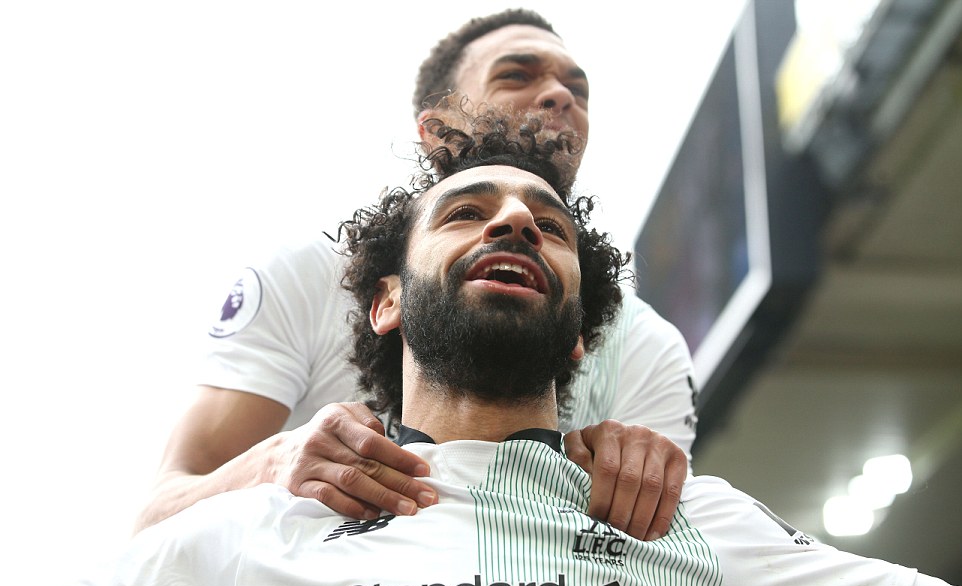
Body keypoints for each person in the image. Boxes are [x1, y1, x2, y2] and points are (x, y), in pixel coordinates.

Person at [12, 116, 960, 586]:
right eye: (466, 213)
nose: (513, 221)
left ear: (581, 333)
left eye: (548, 228)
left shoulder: (685, 520)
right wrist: (264, 465)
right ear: (384, 303)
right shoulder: (264, 525)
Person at [137, 8, 696, 541]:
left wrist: (650, 477)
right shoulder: (307, 276)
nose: (561, 96)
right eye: (516, 74)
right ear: (437, 128)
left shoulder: (647, 348)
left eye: (579, 89)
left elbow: (683, 558)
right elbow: (155, 522)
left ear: (580, 337)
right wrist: (273, 463)